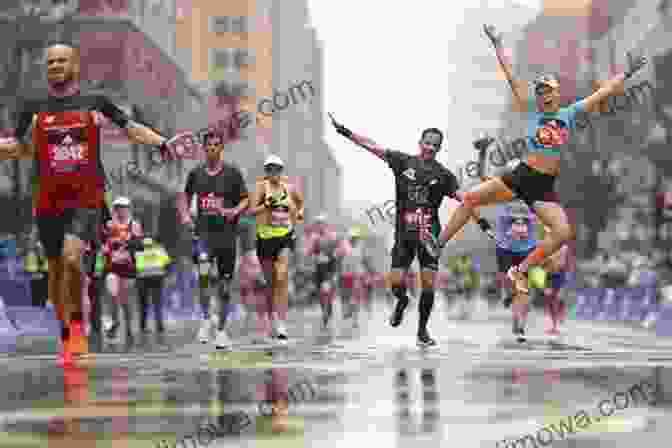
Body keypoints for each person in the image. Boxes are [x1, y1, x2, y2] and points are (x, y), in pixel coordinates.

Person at [426, 25, 647, 299]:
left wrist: (627, 73)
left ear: (556, 93)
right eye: (540, 93)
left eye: (548, 92)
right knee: (470, 199)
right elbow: (511, 76)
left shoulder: (570, 113)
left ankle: (520, 271)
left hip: (544, 186)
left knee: (563, 232)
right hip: (522, 175)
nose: (544, 96)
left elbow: (603, 93)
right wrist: (497, 44)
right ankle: (438, 244)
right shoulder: (530, 111)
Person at [0, 43, 181, 364]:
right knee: (55, 271)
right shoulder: (33, 106)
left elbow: (130, 128)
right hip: (47, 200)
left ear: (75, 66)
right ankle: (67, 333)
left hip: (86, 198)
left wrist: (161, 142)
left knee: (72, 258)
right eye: (51, 61)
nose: (56, 65)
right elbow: (16, 145)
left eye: (62, 61)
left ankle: (80, 327)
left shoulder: (95, 102)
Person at [329, 117, 489, 347]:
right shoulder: (403, 161)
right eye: (427, 142)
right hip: (404, 235)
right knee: (395, 282)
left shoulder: (444, 175)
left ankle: (422, 330)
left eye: (435, 144)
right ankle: (402, 300)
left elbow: (466, 199)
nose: (430, 147)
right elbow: (373, 146)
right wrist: (347, 133)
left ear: (439, 148)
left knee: (428, 284)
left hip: (430, 237)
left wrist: (481, 221)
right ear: (420, 142)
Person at [177, 128, 249, 350]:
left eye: (216, 144)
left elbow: (246, 199)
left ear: (221, 148)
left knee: (225, 286)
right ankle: (207, 319)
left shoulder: (233, 173)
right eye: (208, 145)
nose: (212, 148)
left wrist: (234, 211)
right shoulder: (196, 174)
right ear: (203, 148)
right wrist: (185, 216)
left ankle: (221, 331)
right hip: (203, 234)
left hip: (226, 235)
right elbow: (184, 197)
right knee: (205, 275)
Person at [249, 155, 304, 342]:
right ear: (266, 172)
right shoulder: (260, 187)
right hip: (265, 239)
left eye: (277, 169)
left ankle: (281, 323)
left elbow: (300, 202)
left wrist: (299, 212)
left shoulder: (289, 188)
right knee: (270, 284)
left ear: (281, 171)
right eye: (270, 169)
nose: (274, 173)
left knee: (281, 277)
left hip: (284, 238)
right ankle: (271, 318)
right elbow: (252, 210)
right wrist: (265, 205)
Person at [494, 201, 538, 342]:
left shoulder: (533, 203)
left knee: (522, 290)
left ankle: (520, 325)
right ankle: (508, 293)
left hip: (525, 251)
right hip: (505, 250)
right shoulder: (506, 200)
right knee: (511, 285)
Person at [102, 197, 143, 342]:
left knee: (125, 300)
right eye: (118, 208)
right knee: (112, 293)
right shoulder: (109, 225)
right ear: (114, 210)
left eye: (124, 208)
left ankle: (129, 329)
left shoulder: (134, 224)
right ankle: (114, 323)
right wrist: (109, 246)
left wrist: (128, 242)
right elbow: (103, 242)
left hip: (128, 266)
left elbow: (140, 245)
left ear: (128, 209)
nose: (121, 211)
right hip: (112, 266)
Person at [304, 214, 349, 329]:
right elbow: (308, 252)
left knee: (326, 290)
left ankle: (327, 313)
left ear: (326, 224)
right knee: (321, 293)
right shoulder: (314, 237)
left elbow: (344, 249)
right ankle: (326, 310)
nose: (319, 226)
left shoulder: (333, 236)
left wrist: (335, 254)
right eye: (317, 224)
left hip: (331, 268)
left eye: (321, 223)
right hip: (319, 269)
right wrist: (314, 254)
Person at [135, 237, 171, 334]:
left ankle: (143, 327)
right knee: (157, 303)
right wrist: (166, 274)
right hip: (157, 279)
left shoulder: (138, 254)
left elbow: (135, 267)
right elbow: (168, 263)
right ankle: (159, 326)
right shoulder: (159, 251)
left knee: (143, 305)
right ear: (153, 244)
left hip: (143, 280)